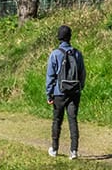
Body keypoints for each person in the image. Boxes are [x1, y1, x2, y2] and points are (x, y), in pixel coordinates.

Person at [45, 24, 85, 160]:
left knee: (57, 120)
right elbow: (82, 73)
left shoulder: (55, 54)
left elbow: (50, 76)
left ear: (59, 38)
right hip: (74, 92)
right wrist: (80, 87)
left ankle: (54, 149)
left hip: (58, 92)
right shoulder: (77, 53)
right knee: (73, 120)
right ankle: (74, 151)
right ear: (70, 37)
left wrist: (49, 93)